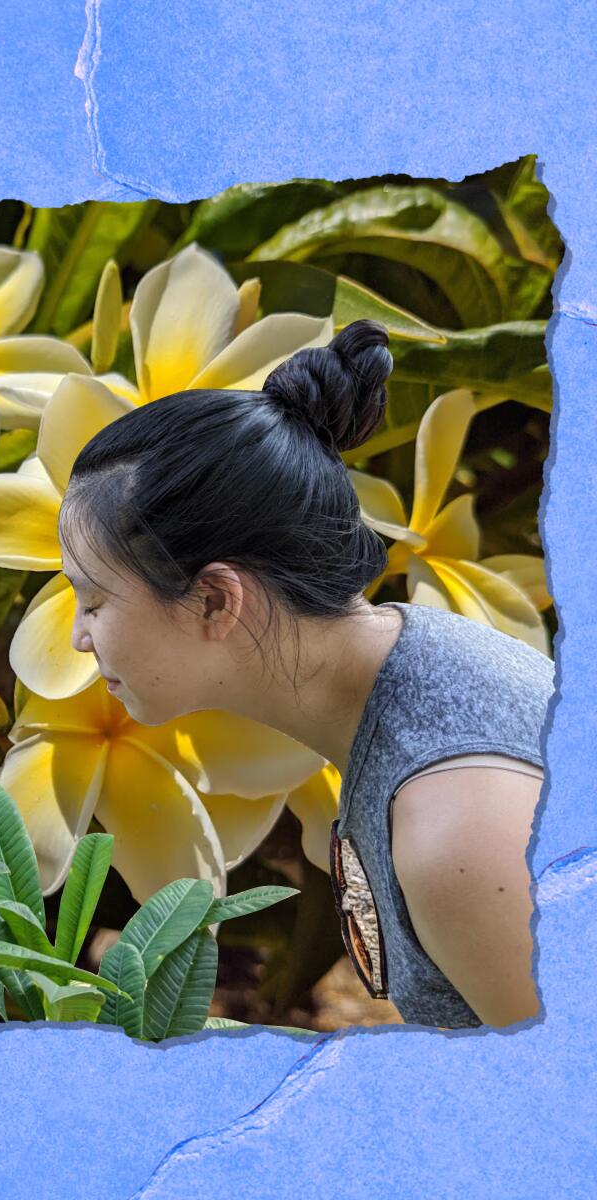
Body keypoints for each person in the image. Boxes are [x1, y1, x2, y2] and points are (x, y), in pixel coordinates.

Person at [57, 319, 551, 1029]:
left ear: (217, 599)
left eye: (95, 601)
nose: (77, 638)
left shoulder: (454, 824)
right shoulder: (408, 676)